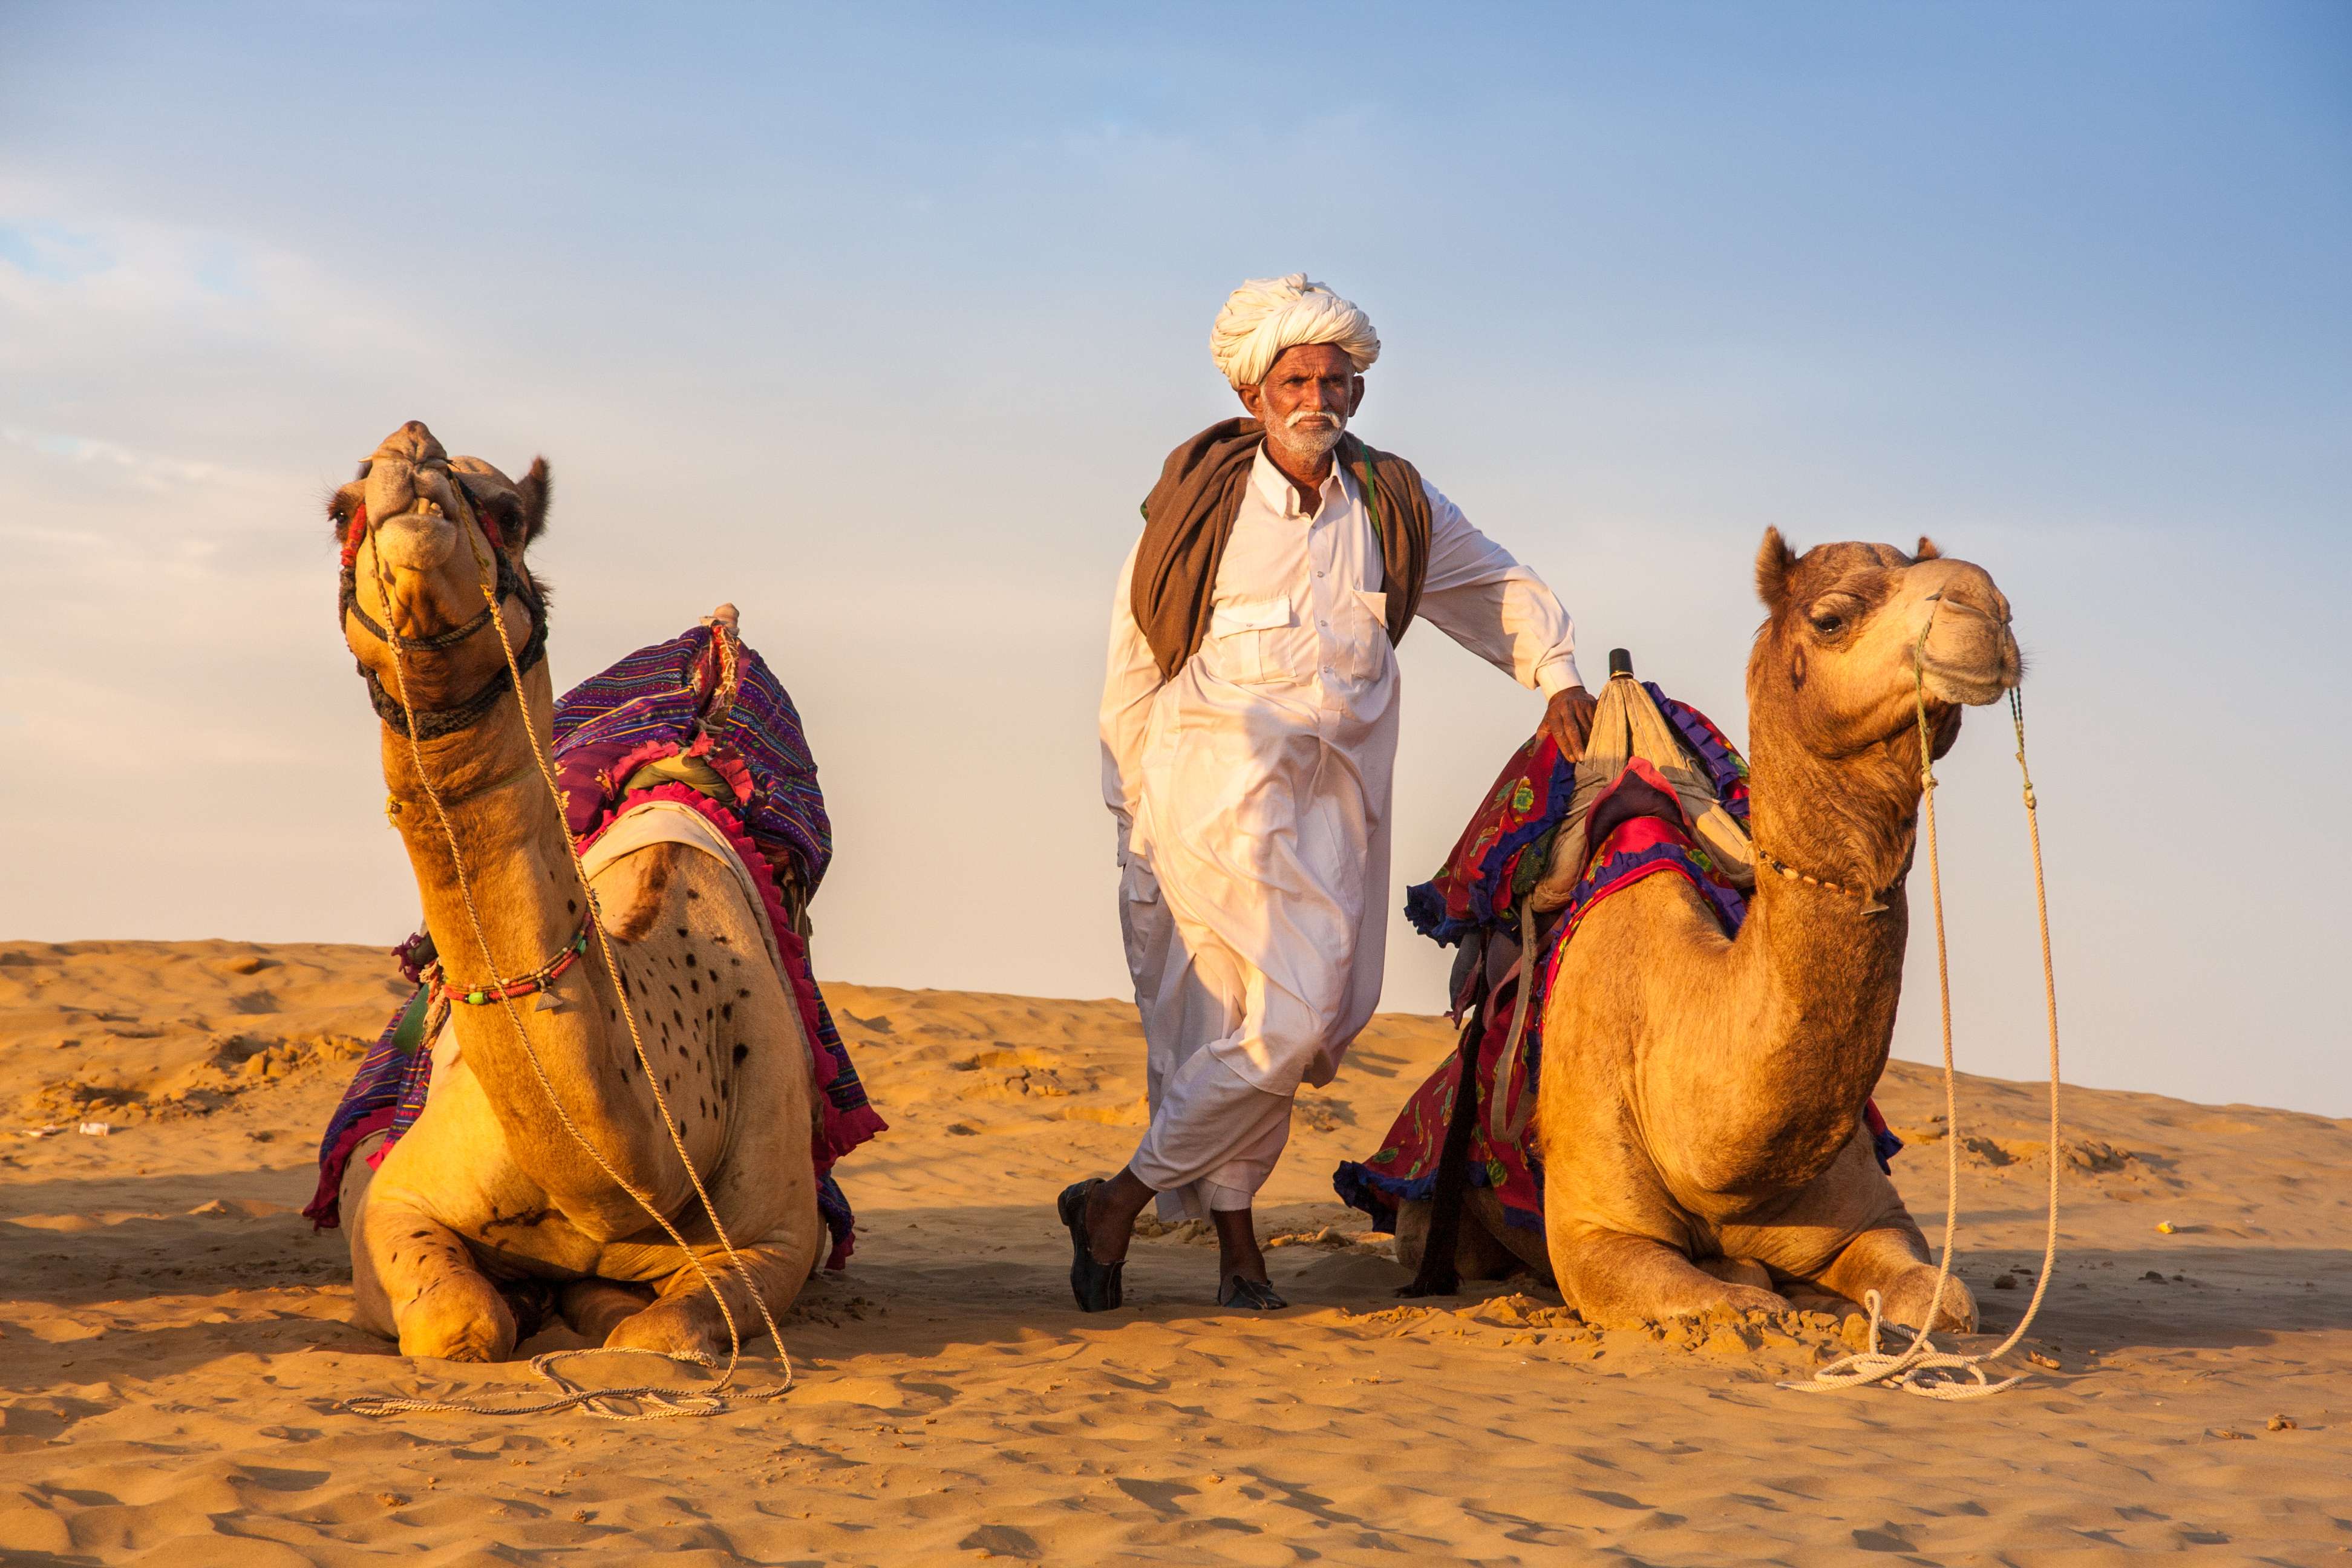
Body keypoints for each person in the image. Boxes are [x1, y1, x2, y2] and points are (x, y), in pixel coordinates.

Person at [1062, 273, 1595, 1311]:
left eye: (1337, 381)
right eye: (1297, 378)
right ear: (1257, 393)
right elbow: (1131, 663)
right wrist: (1132, 805)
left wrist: (1558, 677)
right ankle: (1133, 1207)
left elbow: (1494, 586)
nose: (1319, 397)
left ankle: (1214, 1244)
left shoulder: (1391, 506)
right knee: (1282, 1019)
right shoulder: (1193, 512)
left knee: (1306, 1021)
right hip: (1211, 793)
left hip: (1337, 803)